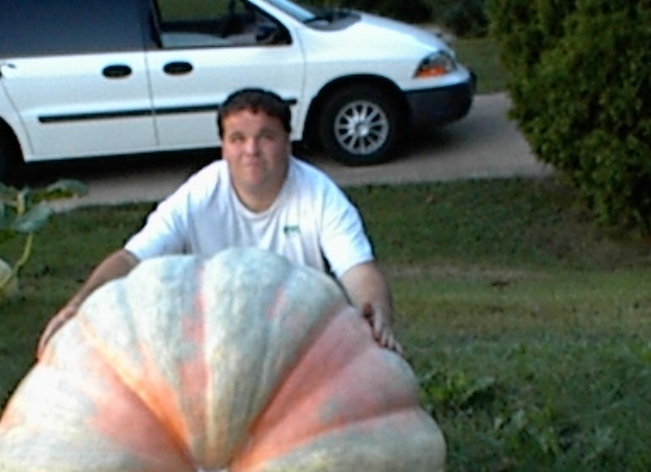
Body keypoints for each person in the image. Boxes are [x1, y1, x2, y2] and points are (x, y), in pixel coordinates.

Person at [37, 88, 402, 356]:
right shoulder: (200, 193)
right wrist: (78, 305)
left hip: (298, 339)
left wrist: (376, 312)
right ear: (223, 146)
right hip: (212, 342)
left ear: (287, 142)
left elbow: (358, 270)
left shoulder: (319, 195)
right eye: (238, 139)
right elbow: (131, 258)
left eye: (266, 137)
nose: (251, 150)